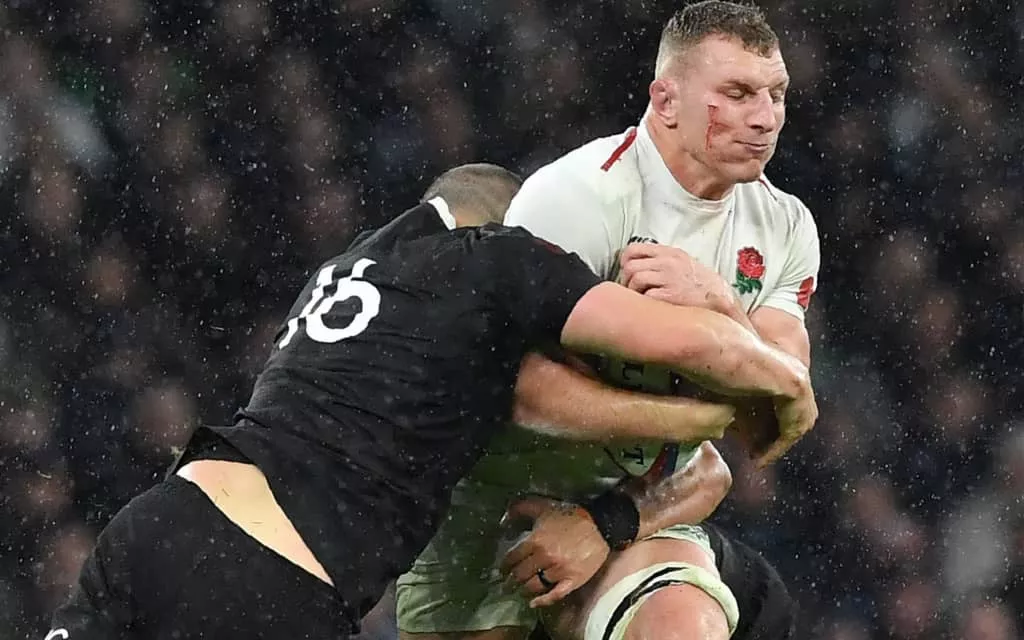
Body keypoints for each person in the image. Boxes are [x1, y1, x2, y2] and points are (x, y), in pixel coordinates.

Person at [47, 162, 815, 640]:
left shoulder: (342, 274)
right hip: (276, 576)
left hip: (159, 522)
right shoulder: (502, 262)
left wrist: (609, 518)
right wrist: (775, 384)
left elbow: (702, 471)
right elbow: (688, 350)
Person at [397, 2, 820, 639]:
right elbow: (513, 389)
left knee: (682, 627)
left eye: (776, 94)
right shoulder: (575, 197)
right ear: (666, 100)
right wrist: (693, 415)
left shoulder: (785, 226)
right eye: (737, 94)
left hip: (640, 510)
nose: (765, 118)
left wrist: (720, 306)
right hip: (488, 508)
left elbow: (773, 422)